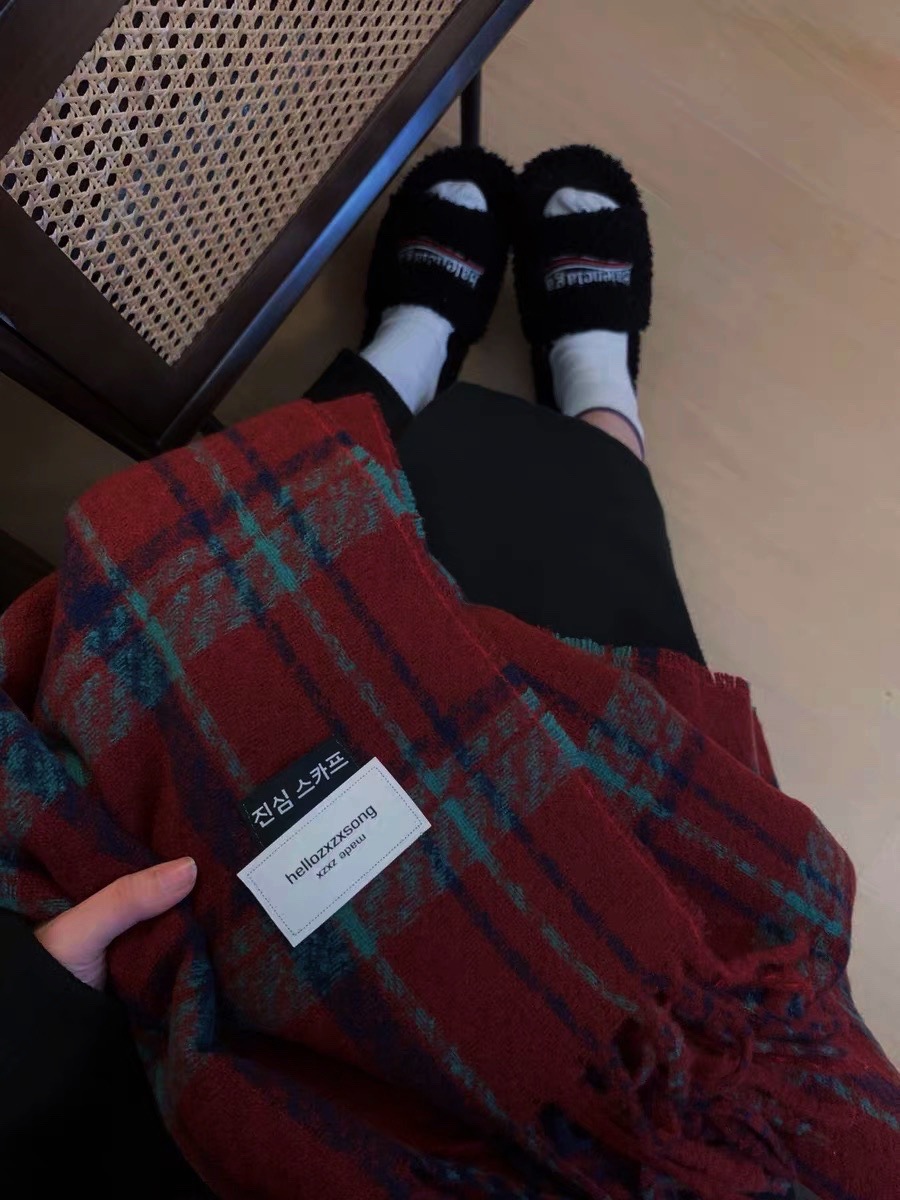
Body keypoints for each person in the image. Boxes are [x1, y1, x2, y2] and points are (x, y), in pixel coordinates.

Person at [0, 145, 895, 1199]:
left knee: (213, 626)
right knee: (592, 594)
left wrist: (31, 1037)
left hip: (231, 1105)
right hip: (743, 1099)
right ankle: (590, 400)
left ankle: (405, 365)